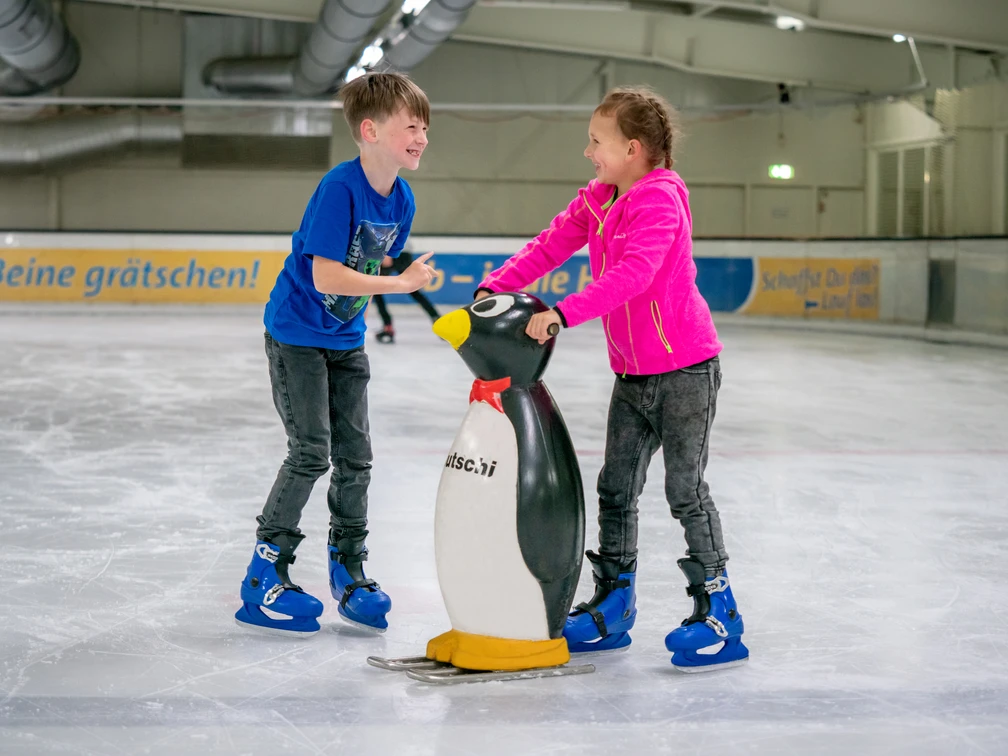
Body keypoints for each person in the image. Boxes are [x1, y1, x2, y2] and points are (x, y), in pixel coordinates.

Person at [475, 86, 748, 671]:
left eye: (596, 142)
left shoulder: (660, 202)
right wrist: (497, 284)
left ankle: (719, 610)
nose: (588, 152)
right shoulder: (599, 200)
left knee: (684, 491)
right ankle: (614, 604)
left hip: (685, 372)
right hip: (632, 374)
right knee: (615, 490)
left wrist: (563, 314)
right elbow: (551, 245)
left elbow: (635, 274)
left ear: (632, 147)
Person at [234, 72, 435, 636]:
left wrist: (391, 281)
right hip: (298, 333)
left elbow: (367, 268)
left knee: (357, 456)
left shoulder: (403, 199)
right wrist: (403, 285)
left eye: (426, 128)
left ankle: (349, 569)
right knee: (310, 452)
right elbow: (326, 272)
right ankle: (264, 575)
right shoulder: (340, 188)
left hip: (346, 340)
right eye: (410, 127)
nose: (422, 137)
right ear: (370, 131)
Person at [371, 251, 441, 343]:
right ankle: (437, 320)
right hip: (402, 252)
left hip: (391, 252)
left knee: (376, 289)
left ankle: (387, 326)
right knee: (414, 291)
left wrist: (386, 254)